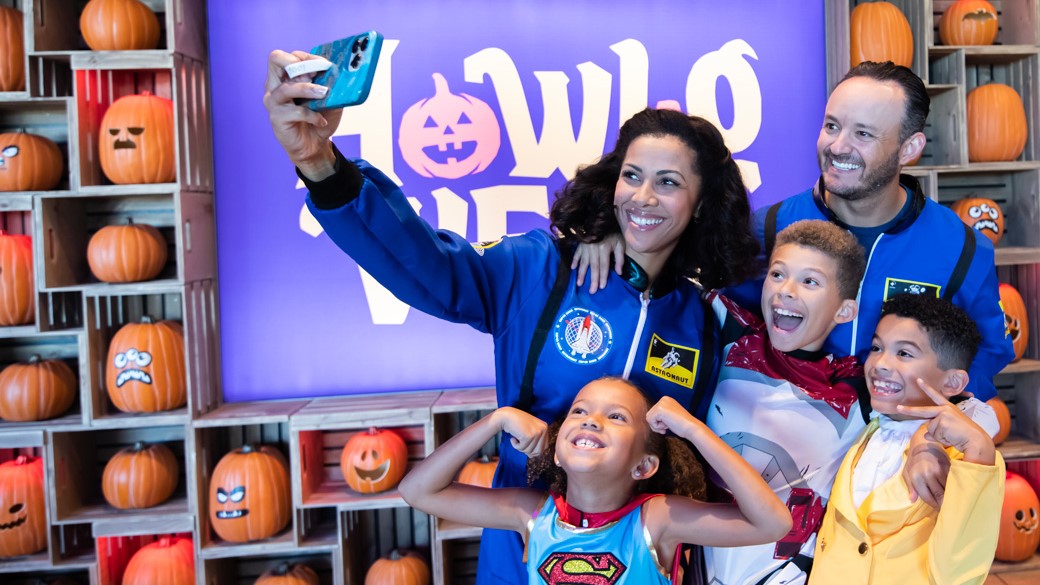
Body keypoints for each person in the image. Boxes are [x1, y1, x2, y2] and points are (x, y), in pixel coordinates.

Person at [263, 50, 759, 585]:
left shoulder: (701, 318)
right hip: (525, 552)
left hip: (646, 563)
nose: (641, 196)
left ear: (701, 204)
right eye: (632, 175)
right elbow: (428, 267)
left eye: (667, 183)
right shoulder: (540, 270)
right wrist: (321, 167)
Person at [575, 60, 1010, 509]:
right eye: (831, 126)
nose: (838, 146)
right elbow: (675, 268)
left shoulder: (961, 248)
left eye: (863, 134)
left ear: (910, 147)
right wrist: (608, 231)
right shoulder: (766, 228)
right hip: (777, 477)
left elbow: (984, 357)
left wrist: (929, 432)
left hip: (894, 480)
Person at [399, 376, 793, 584]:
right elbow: (417, 490)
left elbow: (774, 523)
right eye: (580, 410)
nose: (592, 419)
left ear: (644, 466)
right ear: (556, 451)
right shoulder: (533, 515)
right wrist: (495, 420)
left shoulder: (656, 521)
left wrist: (692, 430)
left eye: (616, 417)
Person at [701, 219, 869, 585]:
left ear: (845, 312)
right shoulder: (731, 333)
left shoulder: (856, 389)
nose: (786, 291)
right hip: (693, 567)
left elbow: (958, 405)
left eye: (810, 281)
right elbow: (658, 277)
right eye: (778, 274)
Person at [809, 293, 1005, 585]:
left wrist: (978, 449)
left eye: (904, 353)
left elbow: (959, 573)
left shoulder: (969, 460)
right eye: (876, 347)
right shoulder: (860, 430)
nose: (880, 364)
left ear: (952, 382)